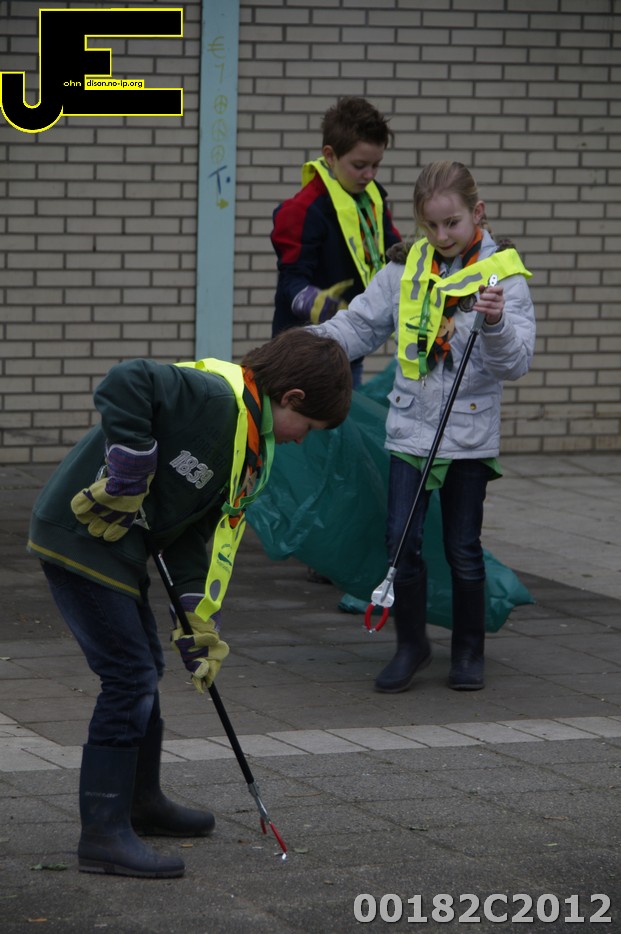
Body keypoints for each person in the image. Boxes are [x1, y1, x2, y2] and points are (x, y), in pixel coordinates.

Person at [27, 328, 352, 879]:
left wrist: (194, 611)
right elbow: (125, 380)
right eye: (310, 428)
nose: (302, 441)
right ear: (292, 398)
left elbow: (189, 532)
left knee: (144, 667)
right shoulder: (214, 397)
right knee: (128, 676)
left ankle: (140, 802)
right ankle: (102, 834)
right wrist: (131, 464)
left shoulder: (248, 443)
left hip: (119, 549)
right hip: (81, 535)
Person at [310, 160, 536, 694]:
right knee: (400, 542)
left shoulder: (502, 275)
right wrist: (304, 344)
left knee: (463, 548)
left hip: (469, 436)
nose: (442, 235)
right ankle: (411, 646)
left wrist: (495, 322)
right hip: (410, 430)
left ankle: (468, 650)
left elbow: (515, 363)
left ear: (477, 213)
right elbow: (359, 325)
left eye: (452, 223)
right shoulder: (404, 269)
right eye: (430, 225)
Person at [270, 95, 402, 389]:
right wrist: (316, 302)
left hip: (349, 348)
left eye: (376, 165)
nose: (369, 175)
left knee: (343, 416)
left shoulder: (373, 201)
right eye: (360, 165)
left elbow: (393, 253)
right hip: (302, 351)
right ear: (330, 156)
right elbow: (291, 281)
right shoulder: (303, 210)